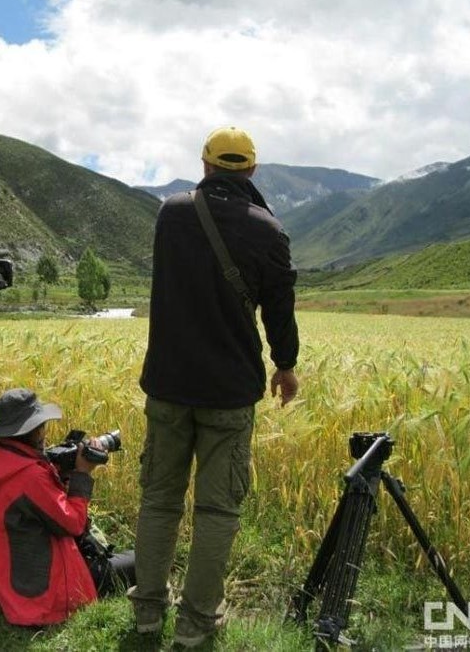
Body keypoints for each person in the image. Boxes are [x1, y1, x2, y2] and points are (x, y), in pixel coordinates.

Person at [130, 126, 300, 647]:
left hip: (168, 383)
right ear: (250, 170)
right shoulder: (268, 230)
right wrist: (285, 364)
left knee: (159, 500)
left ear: (205, 166)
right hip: (229, 390)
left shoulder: (172, 214)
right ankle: (197, 623)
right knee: (217, 509)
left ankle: (147, 615)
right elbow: (279, 307)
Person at [0, 388, 135, 626]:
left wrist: (56, 474)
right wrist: (82, 474)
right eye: (42, 426)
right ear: (34, 430)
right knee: (139, 561)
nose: (45, 431)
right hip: (36, 588)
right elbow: (74, 524)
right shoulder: (30, 477)